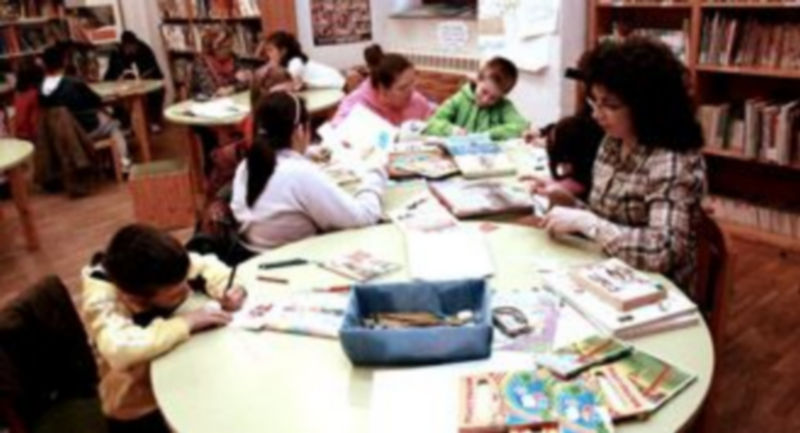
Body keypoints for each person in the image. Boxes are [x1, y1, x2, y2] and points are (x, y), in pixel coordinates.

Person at [538, 37, 706, 290]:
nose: (596, 114)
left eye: (610, 105)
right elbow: (609, 218)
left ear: (646, 107)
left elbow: (664, 251)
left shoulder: (671, 159)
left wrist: (587, 223)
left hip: (654, 289)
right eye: (594, 101)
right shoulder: (614, 140)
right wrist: (571, 204)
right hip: (608, 269)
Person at [81, 224, 246, 433]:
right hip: (138, 406)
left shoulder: (162, 266)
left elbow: (205, 266)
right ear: (136, 298)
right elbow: (119, 349)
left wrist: (228, 289)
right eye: (175, 294)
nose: (186, 290)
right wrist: (187, 322)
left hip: (182, 379)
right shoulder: (101, 298)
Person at [231, 91, 386, 251]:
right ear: (300, 131)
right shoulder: (299, 174)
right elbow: (363, 216)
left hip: (257, 255)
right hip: (300, 258)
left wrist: (308, 152)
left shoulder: (247, 165)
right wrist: (376, 169)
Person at [39, 44, 130, 169]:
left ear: (44, 65)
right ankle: (123, 164)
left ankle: (104, 162)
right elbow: (97, 100)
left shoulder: (41, 89)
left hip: (60, 136)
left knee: (104, 117)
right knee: (114, 125)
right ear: (65, 61)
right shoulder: (74, 83)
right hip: (86, 129)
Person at [190, 29, 253, 174]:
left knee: (246, 122)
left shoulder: (234, 58)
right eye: (224, 47)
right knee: (214, 136)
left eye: (230, 46)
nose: (228, 50)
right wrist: (235, 81)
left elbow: (248, 81)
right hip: (204, 112)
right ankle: (215, 167)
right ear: (212, 48)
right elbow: (212, 90)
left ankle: (237, 162)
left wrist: (232, 88)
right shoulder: (201, 63)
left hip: (231, 106)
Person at [424, 56, 528, 140]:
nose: (485, 100)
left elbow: (521, 126)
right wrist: (452, 130)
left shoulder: (504, 106)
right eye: (484, 92)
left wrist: (489, 135)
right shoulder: (460, 98)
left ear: (502, 96)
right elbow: (431, 123)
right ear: (478, 80)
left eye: (493, 98)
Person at [331, 48, 435, 127]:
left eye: (412, 82)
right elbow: (336, 132)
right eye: (403, 88)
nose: (411, 91)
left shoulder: (415, 100)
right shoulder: (356, 105)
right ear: (383, 91)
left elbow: (431, 117)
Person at [104, 30, 166, 131]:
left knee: (157, 92)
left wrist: (141, 78)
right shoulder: (117, 52)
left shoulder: (145, 49)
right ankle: (123, 122)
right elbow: (111, 73)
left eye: (132, 47)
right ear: (123, 46)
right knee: (116, 97)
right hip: (122, 84)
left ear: (136, 44)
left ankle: (154, 121)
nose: (130, 50)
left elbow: (154, 70)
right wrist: (120, 78)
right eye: (127, 48)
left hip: (147, 80)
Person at [264, 30, 345, 90]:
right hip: (332, 83)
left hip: (335, 84)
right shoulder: (289, 63)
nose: (268, 54)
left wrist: (277, 88)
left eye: (270, 50)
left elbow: (297, 86)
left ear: (283, 51)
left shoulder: (295, 63)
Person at [12, 59, 44, 142]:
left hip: (19, 135)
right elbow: (34, 123)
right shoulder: (34, 95)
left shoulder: (18, 94)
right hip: (30, 137)